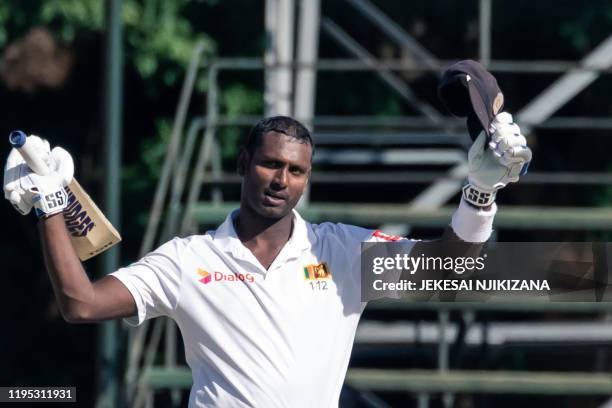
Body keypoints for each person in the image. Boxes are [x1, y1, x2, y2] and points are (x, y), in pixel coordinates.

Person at [4, 111, 530, 406]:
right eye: (270, 165)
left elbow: (444, 272)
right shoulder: (190, 259)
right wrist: (52, 201)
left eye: (296, 171)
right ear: (244, 163)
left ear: (307, 178)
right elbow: (81, 303)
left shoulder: (342, 251)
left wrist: (480, 191)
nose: (282, 180)